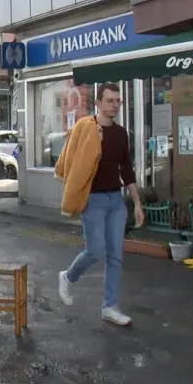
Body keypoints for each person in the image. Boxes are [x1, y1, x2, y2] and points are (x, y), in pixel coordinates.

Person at [55, 83, 144, 326]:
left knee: (116, 255)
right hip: (92, 199)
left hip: (115, 200)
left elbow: (126, 169)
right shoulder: (86, 128)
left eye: (118, 101)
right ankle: (68, 276)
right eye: (109, 101)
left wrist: (136, 202)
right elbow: (71, 161)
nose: (114, 105)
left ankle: (110, 307)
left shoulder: (120, 133)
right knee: (95, 251)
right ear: (98, 103)